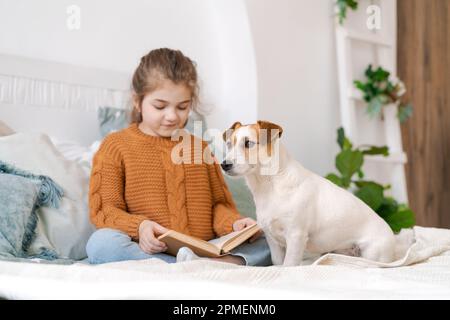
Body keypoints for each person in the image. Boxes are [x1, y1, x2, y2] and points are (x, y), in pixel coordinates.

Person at [86, 48, 272, 266]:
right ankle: (200, 266)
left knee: (271, 236)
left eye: (182, 107)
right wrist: (140, 226)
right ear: (137, 101)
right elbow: (105, 209)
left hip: (205, 247)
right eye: (160, 106)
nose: (172, 116)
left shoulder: (199, 148)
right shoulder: (116, 146)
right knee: (101, 244)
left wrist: (234, 224)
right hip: (150, 250)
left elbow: (219, 206)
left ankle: (196, 264)